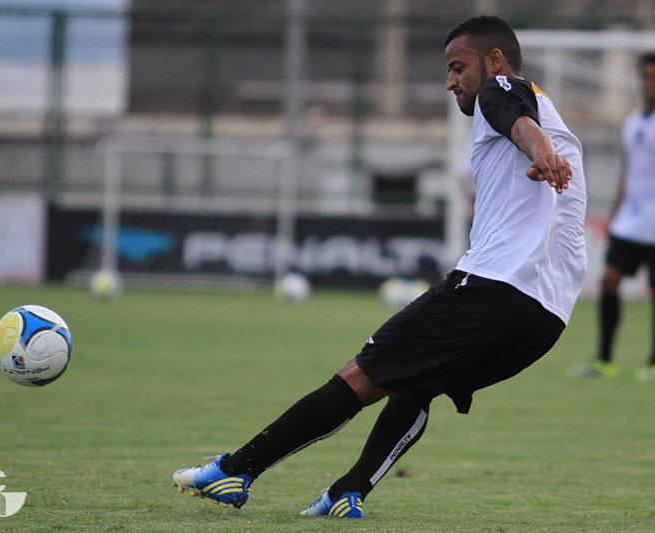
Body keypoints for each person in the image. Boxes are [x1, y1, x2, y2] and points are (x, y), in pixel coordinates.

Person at [172, 15, 587, 519]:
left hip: (493, 287)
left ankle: (235, 470)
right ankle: (346, 493)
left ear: (494, 60)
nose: (450, 81)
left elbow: (515, 117)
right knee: (419, 383)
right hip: (547, 318)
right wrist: (545, 148)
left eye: (458, 67)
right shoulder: (550, 111)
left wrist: (541, 151)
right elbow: (524, 125)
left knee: (359, 376)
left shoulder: (500, 91)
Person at [574, 53, 655, 382]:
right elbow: (628, 171)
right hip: (630, 221)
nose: (648, 84)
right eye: (645, 77)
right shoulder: (632, 122)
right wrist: (615, 213)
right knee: (609, 279)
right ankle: (604, 359)